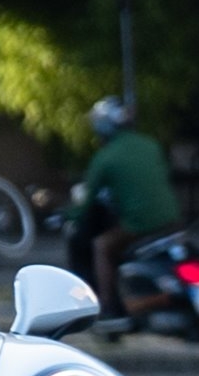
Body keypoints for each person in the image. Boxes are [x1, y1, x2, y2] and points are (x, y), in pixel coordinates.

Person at [70, 97, 176, 316]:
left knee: (102, 245)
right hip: (172, 220)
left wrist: (66, 213)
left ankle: (107, 305)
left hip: (139, 224)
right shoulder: (150, 144)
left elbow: (86, 203)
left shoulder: (105, 157)